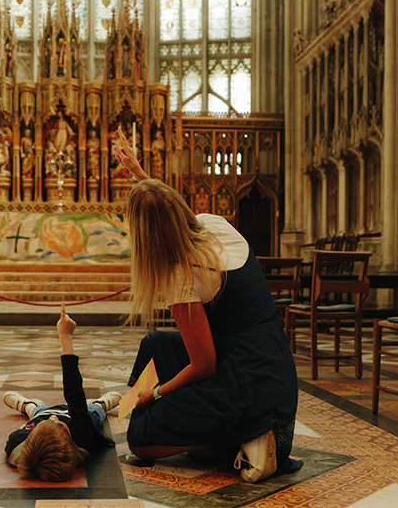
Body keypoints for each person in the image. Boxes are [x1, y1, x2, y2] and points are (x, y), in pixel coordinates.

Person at [112, 126, 302, 483]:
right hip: (272, 367)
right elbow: (169, 212)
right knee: (154, 346)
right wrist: (141, 177)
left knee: (139, 439)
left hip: (250, 383)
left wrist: (153, 394)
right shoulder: (214, 225)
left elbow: (204, 365)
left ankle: (242, 436)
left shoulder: (182, 274)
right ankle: (198, 429)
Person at [3, 304, 121, 482]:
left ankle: (27, 405)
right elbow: (74, 395)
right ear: (70, 444)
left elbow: (21, 431)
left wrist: (36, 426)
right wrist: (65, 337)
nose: (54, 418)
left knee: (38, 413)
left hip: (41, 417)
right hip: (84, 415)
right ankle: (102, 403)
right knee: (94, 410)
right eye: (58, 425)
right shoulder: (81, 441)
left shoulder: (17, 448)